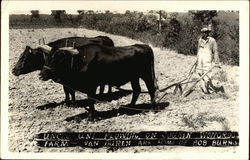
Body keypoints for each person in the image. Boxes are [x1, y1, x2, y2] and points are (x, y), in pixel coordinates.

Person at [196, 25, 224, 94]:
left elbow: (215, 51)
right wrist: (197, 59)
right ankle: (204, 88)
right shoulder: (200, 40)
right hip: (200, 59)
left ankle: (208, 88)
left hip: (207, 59)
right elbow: (198, 50)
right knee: (200, 73)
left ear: (208, 33)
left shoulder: (212, 41)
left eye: (206, 32)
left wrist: (216, 61)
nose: (204, 33)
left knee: (208, 74)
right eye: (203, 32)